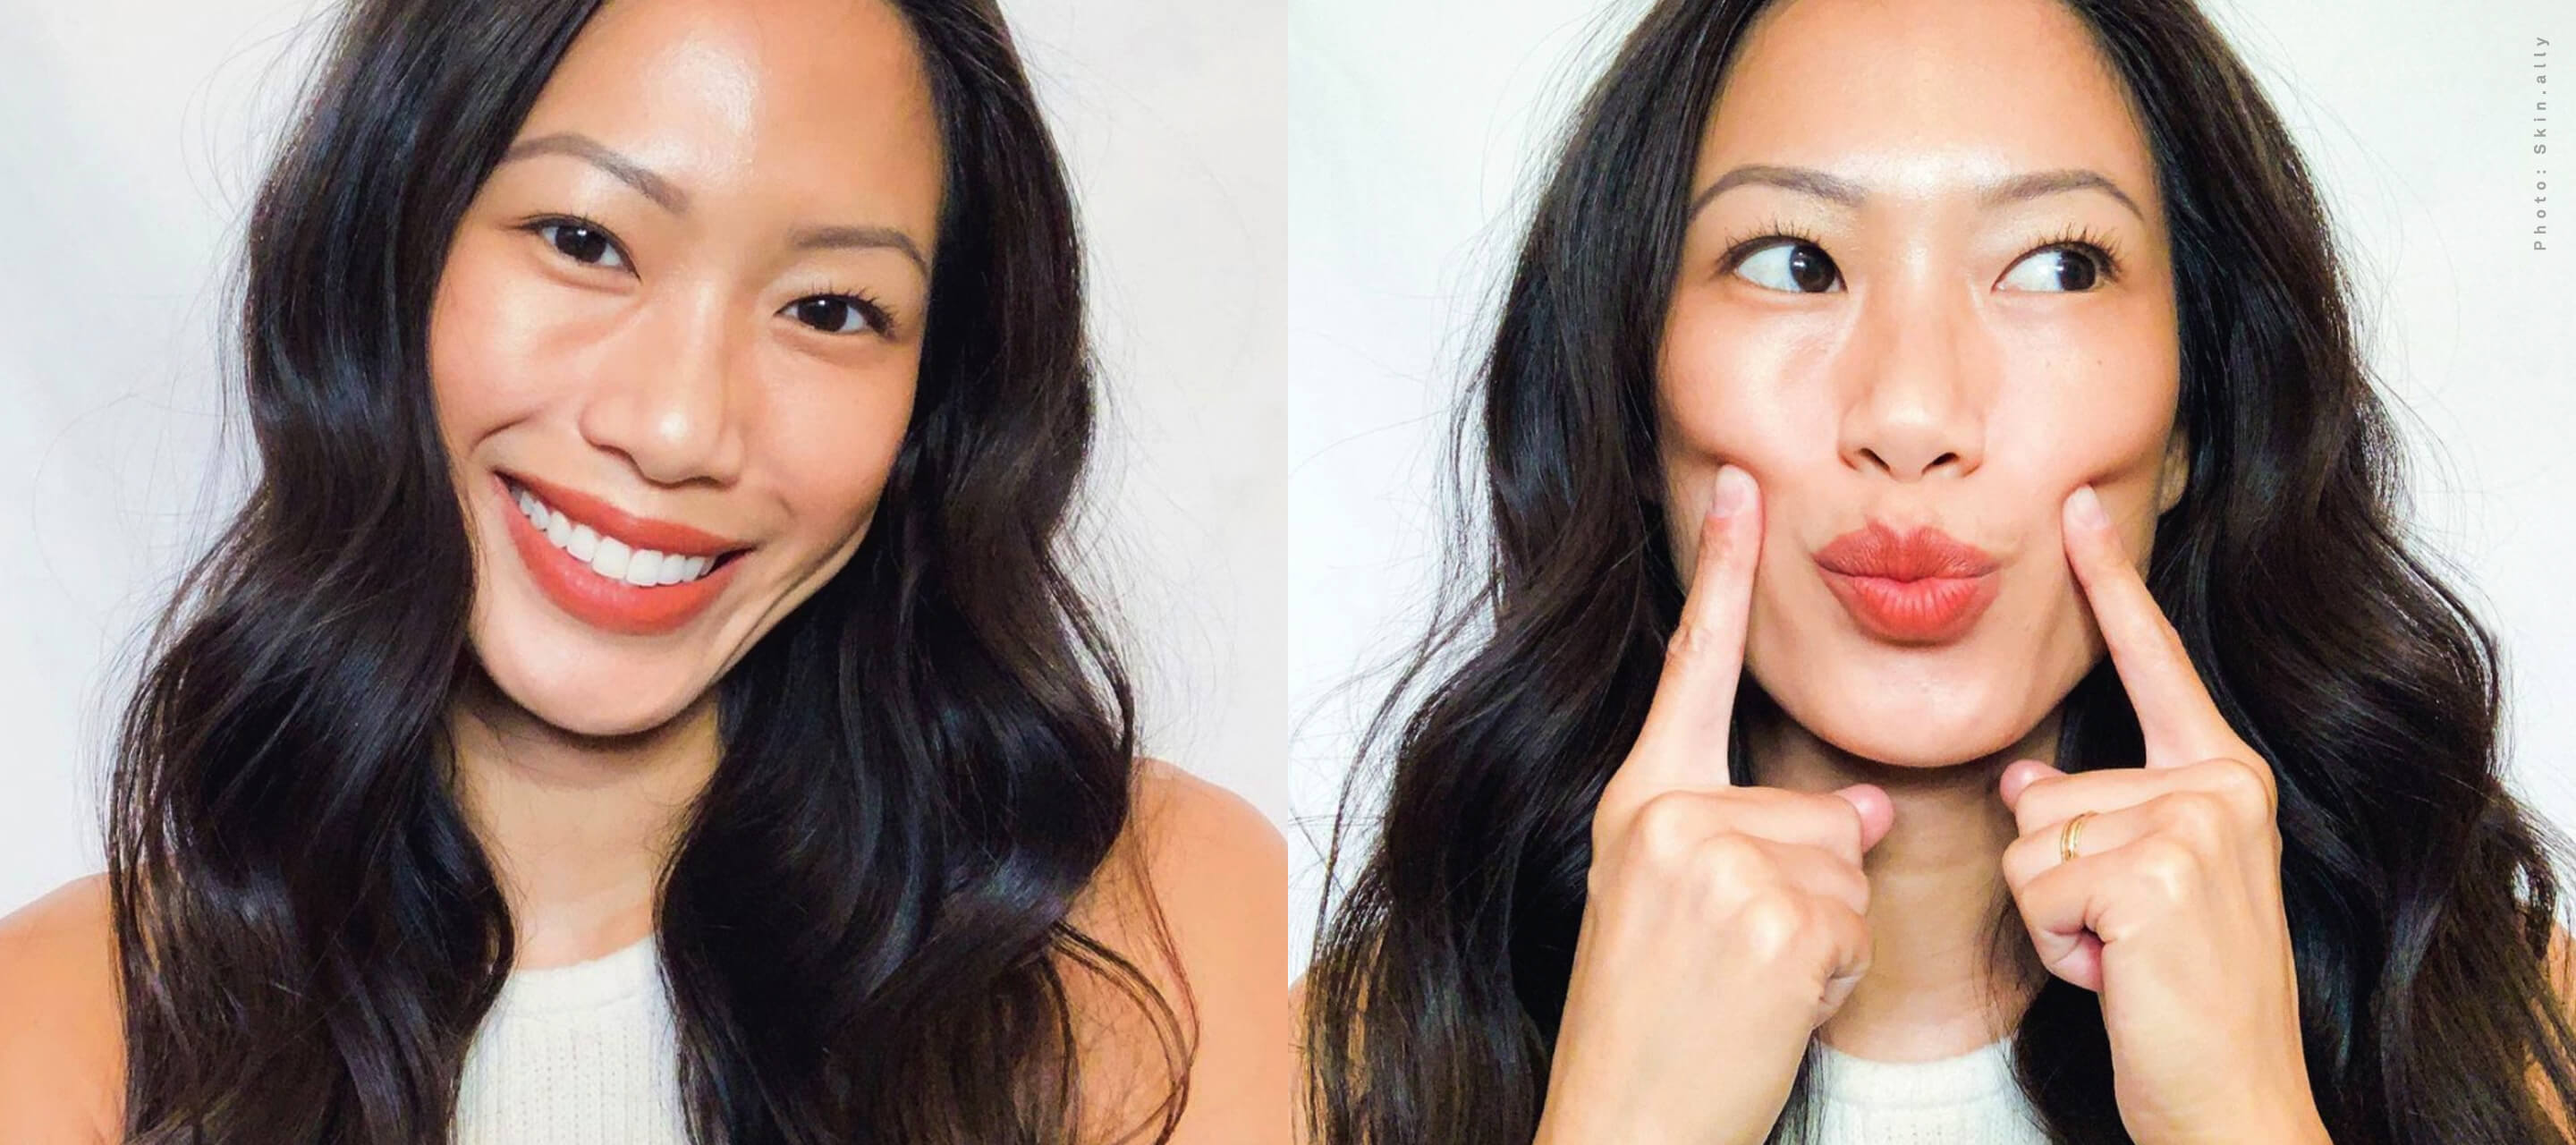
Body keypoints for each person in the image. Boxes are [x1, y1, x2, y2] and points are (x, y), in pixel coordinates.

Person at [0, 1, 1284, 1141]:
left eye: (829, 310)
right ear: (382, 249)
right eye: (583, 239)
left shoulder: (1157, 927)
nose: (677, 429)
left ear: (933, 404)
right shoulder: (72, 1030)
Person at [1300, 0, 2576, 1141]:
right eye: (1795, 263)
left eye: (2058, 266)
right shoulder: (1337, 1061)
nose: (1912, 414)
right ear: (1632, 401)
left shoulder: (2509, 1020)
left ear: (2195, 416)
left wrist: (2242, 1115)